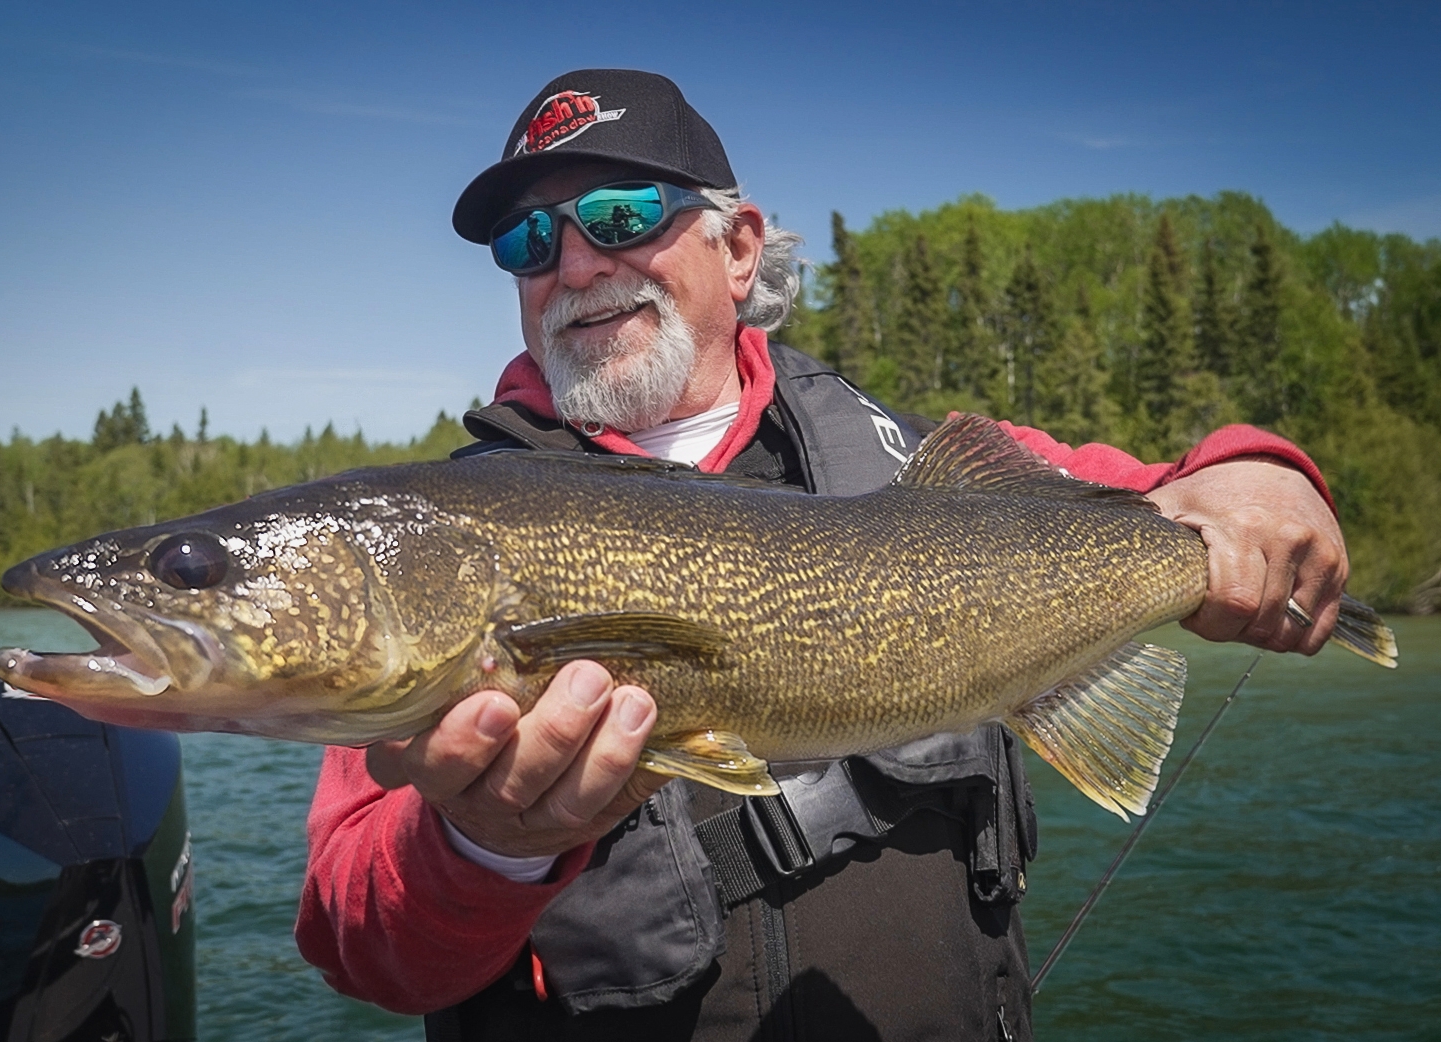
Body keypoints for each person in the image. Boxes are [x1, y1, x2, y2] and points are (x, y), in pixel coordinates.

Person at [296, 70, 1348, 1041]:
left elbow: (1181, 494)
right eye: (528, 242)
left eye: (622, 217)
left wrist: (1261, 470)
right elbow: (356, 941)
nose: (573, 265)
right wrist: (483, 845)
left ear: (739, 247)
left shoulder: (910, 457)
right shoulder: (442, 535)